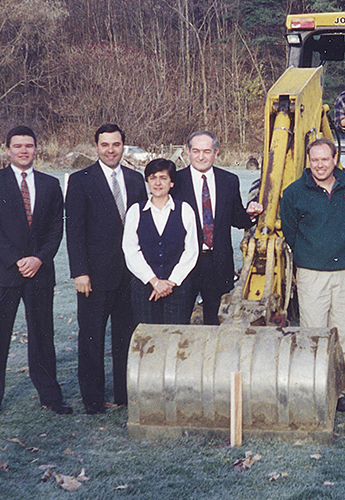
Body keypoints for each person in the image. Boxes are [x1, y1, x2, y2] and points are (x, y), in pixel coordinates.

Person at [0, 126, 72, 419]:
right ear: (7, 149)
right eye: (17, 146)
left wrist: (39, 259)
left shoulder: (50, 184)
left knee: (43, 336)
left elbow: (57, 228)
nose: (23, 151)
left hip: (39, 272)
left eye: (28, 146)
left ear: (36, 149)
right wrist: (17, 259)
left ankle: (50, 396)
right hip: (3, 272)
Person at [65, 124, 147, 414]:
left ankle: (125, 395)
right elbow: (74, 231)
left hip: (129, 276)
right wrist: (79, 272)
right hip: (94, 276)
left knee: (126, 337)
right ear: (96, 147)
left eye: (116, 144)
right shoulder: (81, 180)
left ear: (124, 145)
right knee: (92, 339)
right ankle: (93, 400)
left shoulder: (136, 180)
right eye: (105, 145)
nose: (111, 150)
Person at [280, 137, 345, 413]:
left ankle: (339, 391)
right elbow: (290, 232)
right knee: (313, 332)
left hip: (344, 271)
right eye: (315, 160)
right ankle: (313, 389)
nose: (320, 165)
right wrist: (309, 254)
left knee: (344, 333)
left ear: (335, 159)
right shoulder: (294, 193)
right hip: (311, 272)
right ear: (308, 161)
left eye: (325, 159)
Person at [170, 131, 263, 325]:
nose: (201, 156)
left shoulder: (229, 181)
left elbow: (237, 218)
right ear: (188, 152)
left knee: (214, 321)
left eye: (206, 151)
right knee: (178, 320)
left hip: (217, 263)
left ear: (216, 153)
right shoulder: (175, 182)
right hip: (184, 263)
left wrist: (251, 215)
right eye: (196, 151)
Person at [122, 159, 198, 324]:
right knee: (147, 337)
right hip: (144, 287)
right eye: (153, 177)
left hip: (178, 287)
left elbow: (191, 250)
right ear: (147, 182)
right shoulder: (135, 211)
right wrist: (154, 281)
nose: (157, 183)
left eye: (163, 178)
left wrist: (171, 282)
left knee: (176, 336)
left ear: (171, 183)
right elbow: (130, 250)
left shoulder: (185, 210)